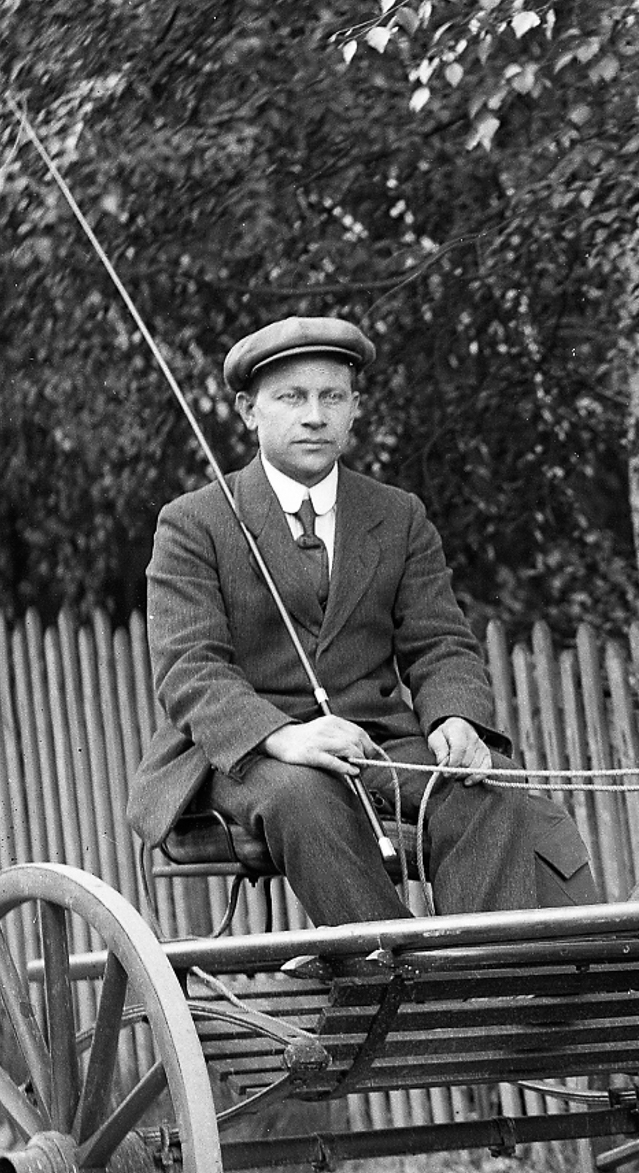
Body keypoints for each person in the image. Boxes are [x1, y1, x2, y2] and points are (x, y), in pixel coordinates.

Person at [126, 315, 601, 924]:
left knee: (489, 786)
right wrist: (286, 737)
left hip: (377, 744)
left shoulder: (397, 515)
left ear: (355, 409)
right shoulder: (194, 523)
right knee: (305, 795)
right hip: (244, 754)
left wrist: (455, 718)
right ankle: (384, 968)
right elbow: (190, 671)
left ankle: (483, 968)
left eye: (332, 397)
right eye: (291, 398)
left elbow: (440, 643)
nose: (314, 416)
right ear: (248, 411)